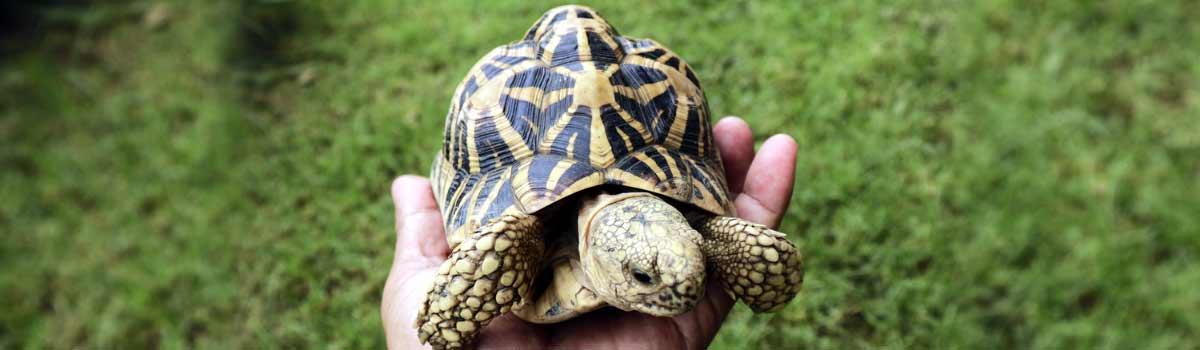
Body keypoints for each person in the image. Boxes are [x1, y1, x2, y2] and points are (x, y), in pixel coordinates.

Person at [382, 117, 799, 349]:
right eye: (643, 276)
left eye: (697, 251)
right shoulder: (520, 238)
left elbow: (724, 241)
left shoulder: (700, 238)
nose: (687, 288)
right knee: (506, 242)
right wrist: (446, 321)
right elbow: (492, 253)